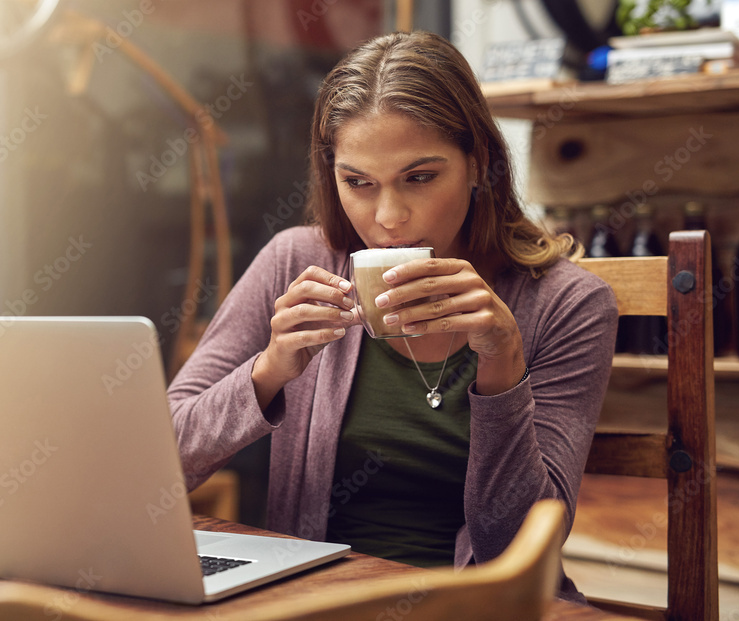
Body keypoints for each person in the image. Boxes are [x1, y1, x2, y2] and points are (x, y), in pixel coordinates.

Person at [167, 30, 617, 603]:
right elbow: (162, 469)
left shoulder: (567, 305)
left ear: (478, 164)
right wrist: (268, 371)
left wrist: (503, 366)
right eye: (358, 183)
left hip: (482, 608)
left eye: (420, 177)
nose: (388, 218)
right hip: (316, 602)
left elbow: (517, 549)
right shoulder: (295, 262)